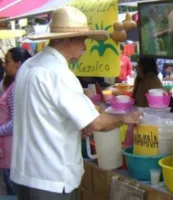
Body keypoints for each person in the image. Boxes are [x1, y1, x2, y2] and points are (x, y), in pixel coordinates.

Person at [11, 6, 141, 200]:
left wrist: (75, 125)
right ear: (70, 40)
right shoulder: (59, 73)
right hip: (51, 179)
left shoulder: (30, 65)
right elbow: (96, 123)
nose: (85, 47)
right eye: (83, 40)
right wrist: (127, 117)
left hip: (26, 173)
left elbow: (43, 116)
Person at [0, 47, 31, 195]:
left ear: (18, 64)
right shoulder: (16, 84)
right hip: (10, 150)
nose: (4, 65)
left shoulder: (16, 87)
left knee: (13, 192)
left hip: (11, 151)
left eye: (7, 61)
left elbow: (15, 123)